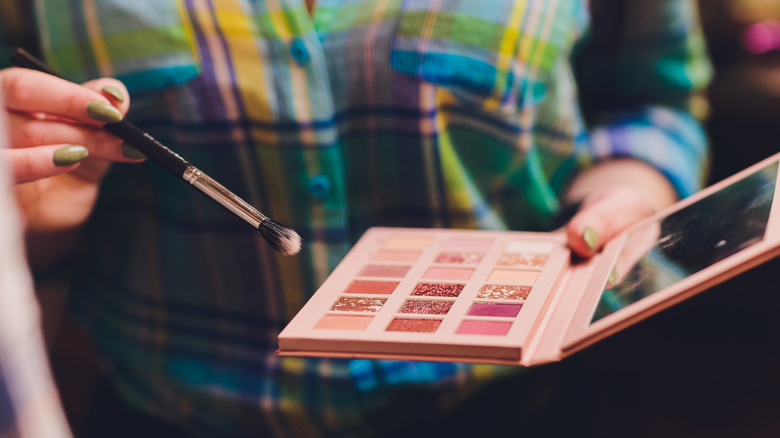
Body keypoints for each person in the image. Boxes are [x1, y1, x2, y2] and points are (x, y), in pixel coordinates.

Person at [0, 0, 712, 437]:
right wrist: (33, 217)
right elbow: (34, 244)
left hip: (507, 410)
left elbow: (648, 99)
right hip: (163, 414)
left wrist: (629, 191)